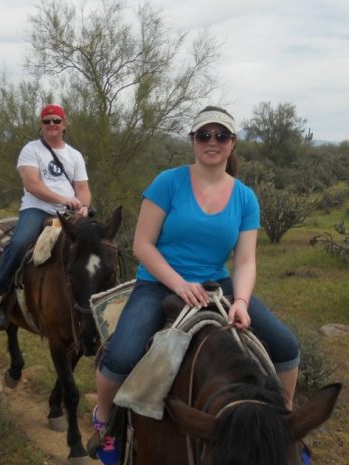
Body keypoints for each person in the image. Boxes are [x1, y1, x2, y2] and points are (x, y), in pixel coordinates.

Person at [91, 106, 300, 465]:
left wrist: (242, 301)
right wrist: (178, 282)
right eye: (204, 135)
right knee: (123, 355)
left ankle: (282, 426)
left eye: (221, 135)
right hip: (159, 281)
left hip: (218, 284)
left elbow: (246, 260)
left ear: (233, 143)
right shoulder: (168, 183)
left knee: (285, 346)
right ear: (193, 142)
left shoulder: (245, 197)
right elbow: (143, 245)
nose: (212, 142)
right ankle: (104, 420)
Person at [0, 104, 92, 329]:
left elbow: (82, 187)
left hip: (69, 214)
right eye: (47, 121)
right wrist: (62, 200)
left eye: (56, 121)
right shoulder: (31, 150)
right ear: (41, 125)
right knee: (20, 243)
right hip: (37, 209)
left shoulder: (74, 155)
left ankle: (91, 299)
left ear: (64, 124)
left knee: (97, 246)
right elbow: (32, 185)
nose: (52, 125)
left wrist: (83, 206)